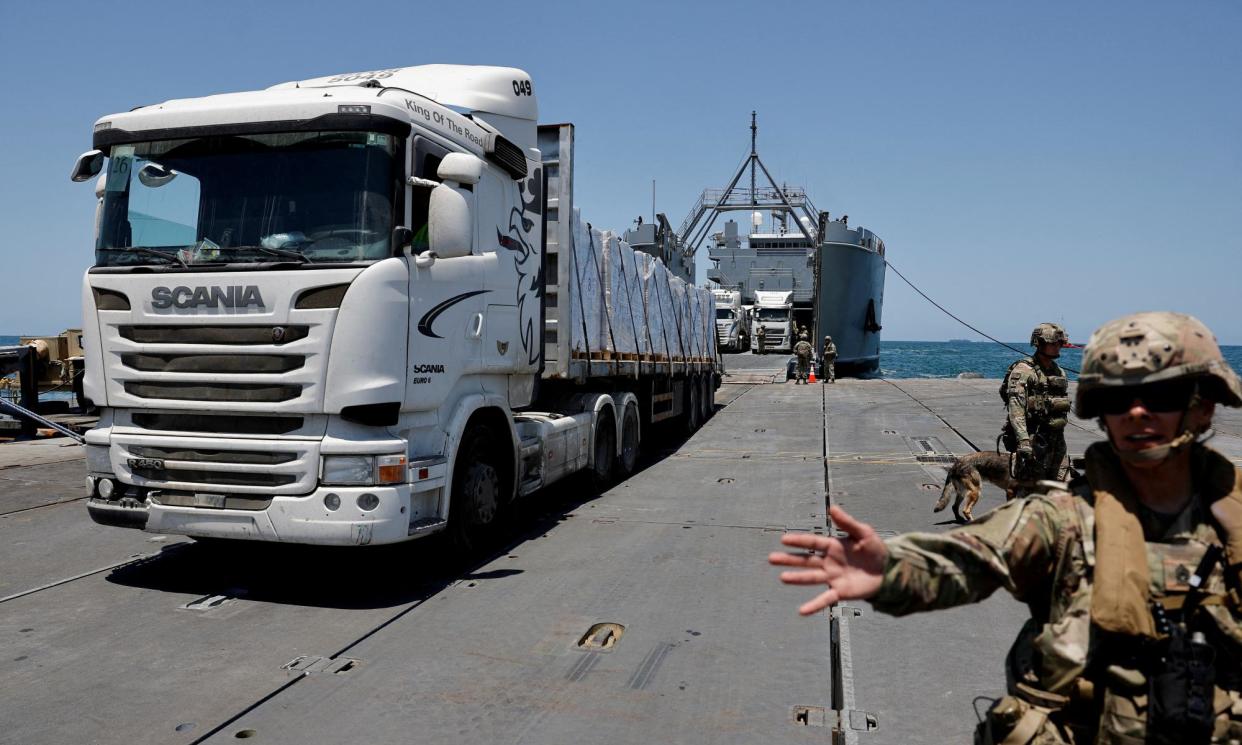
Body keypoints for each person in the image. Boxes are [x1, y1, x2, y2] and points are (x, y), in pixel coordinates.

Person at [770, 312, 1242, 744]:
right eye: (1119, 398)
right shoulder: (1062, 517)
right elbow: (969, 557)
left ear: (1203, 407)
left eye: (1161, 396)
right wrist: (891, 569)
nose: (1137, 413)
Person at [1002, 323, 1071, 483]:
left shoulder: (1058, 372)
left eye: (1060, 343)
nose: (1057, 347)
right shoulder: (1024, 371)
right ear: (1039, 343)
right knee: (1030, 491)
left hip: (1057, 440)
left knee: (1062, 488)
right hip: (1034, 441)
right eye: (1053, 343)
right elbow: (1016, 408)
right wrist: (1023, 442)